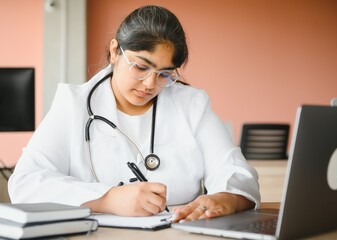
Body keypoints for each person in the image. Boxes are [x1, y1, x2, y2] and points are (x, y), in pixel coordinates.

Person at [8, 5, 260, 222]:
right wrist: (107, 199)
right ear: (116, 51)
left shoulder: (192, 105)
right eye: (141, 66)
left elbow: (235, 172)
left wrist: (227, 198)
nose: (150, 84)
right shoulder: (72, 105)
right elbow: (25, 184)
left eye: (164, 74)